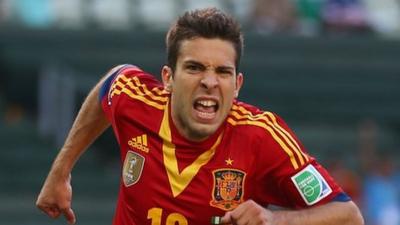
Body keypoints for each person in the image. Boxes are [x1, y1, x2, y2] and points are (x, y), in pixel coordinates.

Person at [36, 7, 364, 225]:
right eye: (194, 68)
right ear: (168, 77)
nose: (209, 81)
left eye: (222, 72)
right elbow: (113, 82)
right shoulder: (138, 101)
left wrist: (274, 220)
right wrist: (60, 170)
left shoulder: (262, 136)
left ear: (237, 85)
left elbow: (348, 216)